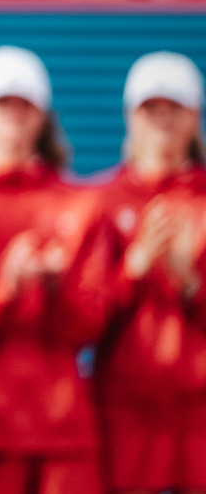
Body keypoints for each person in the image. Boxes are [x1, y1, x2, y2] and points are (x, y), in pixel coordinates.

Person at [0, 45, 112, 494]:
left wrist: (57, 288)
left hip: (63, 427)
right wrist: (6, 289)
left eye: (25, 104)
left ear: (42, 118)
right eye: (1, 103)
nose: (13, 115)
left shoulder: (79, 204)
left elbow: (92, 325)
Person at [92, 51, 206, 494]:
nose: (161, 121)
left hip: (199, 414)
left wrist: (189, 282)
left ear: (194, 116)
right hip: (124, 414)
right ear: (130, 117)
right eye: (150, 109)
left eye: (172, 109)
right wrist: (134, 269)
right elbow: (82, 319)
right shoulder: (99, 201)